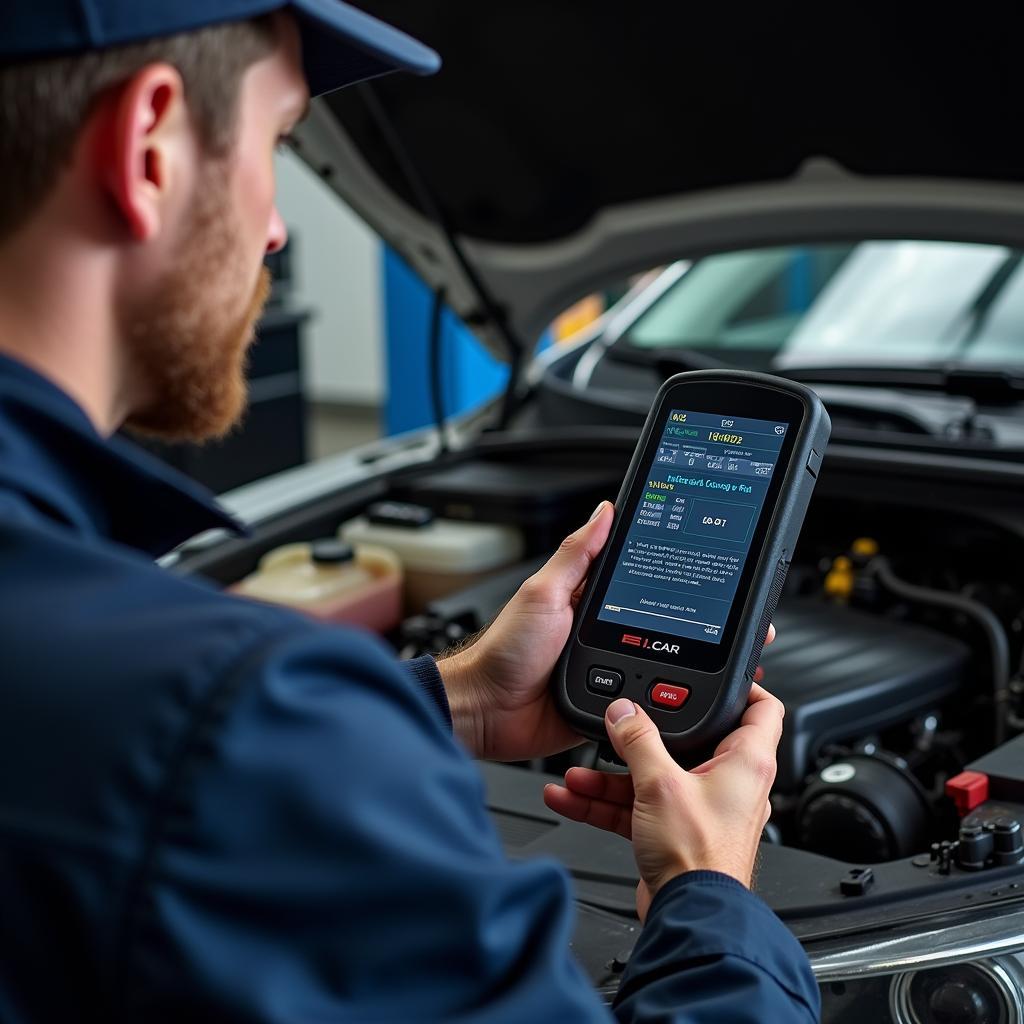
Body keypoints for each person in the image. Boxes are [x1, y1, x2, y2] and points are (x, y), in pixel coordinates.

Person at [0, 3, 820, 1021]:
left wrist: (457, 699)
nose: (275, 228)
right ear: (151, 145)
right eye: (278, 139)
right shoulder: (231, 725)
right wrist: (707, 900)